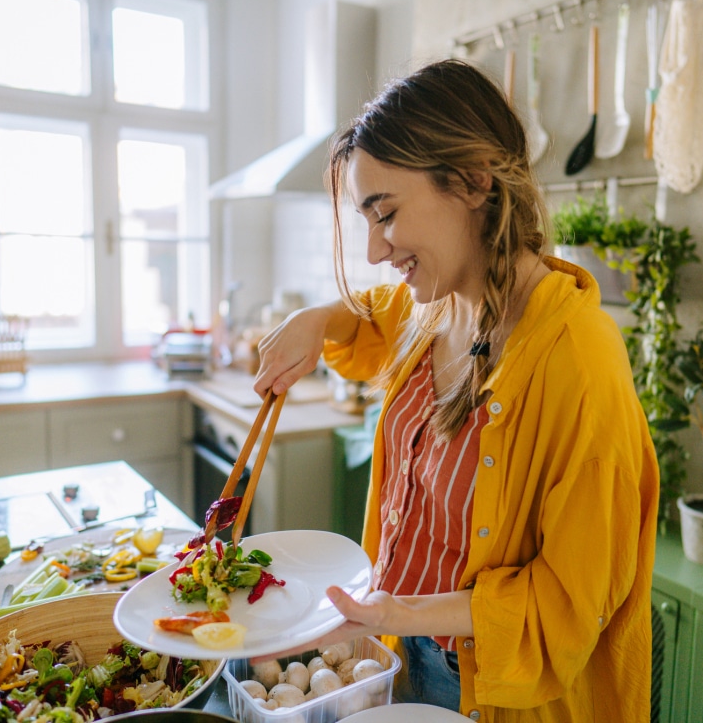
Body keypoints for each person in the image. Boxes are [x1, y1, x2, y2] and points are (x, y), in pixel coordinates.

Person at [253, 59, 659, 723]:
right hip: (400, 655)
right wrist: (313, 318)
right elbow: (374, 315)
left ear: (471, 182)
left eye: (384, 214)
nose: (376, 250)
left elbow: (566, 603)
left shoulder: (579, 362)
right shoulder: (439, 308)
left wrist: (393, 611)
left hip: (493, 691)